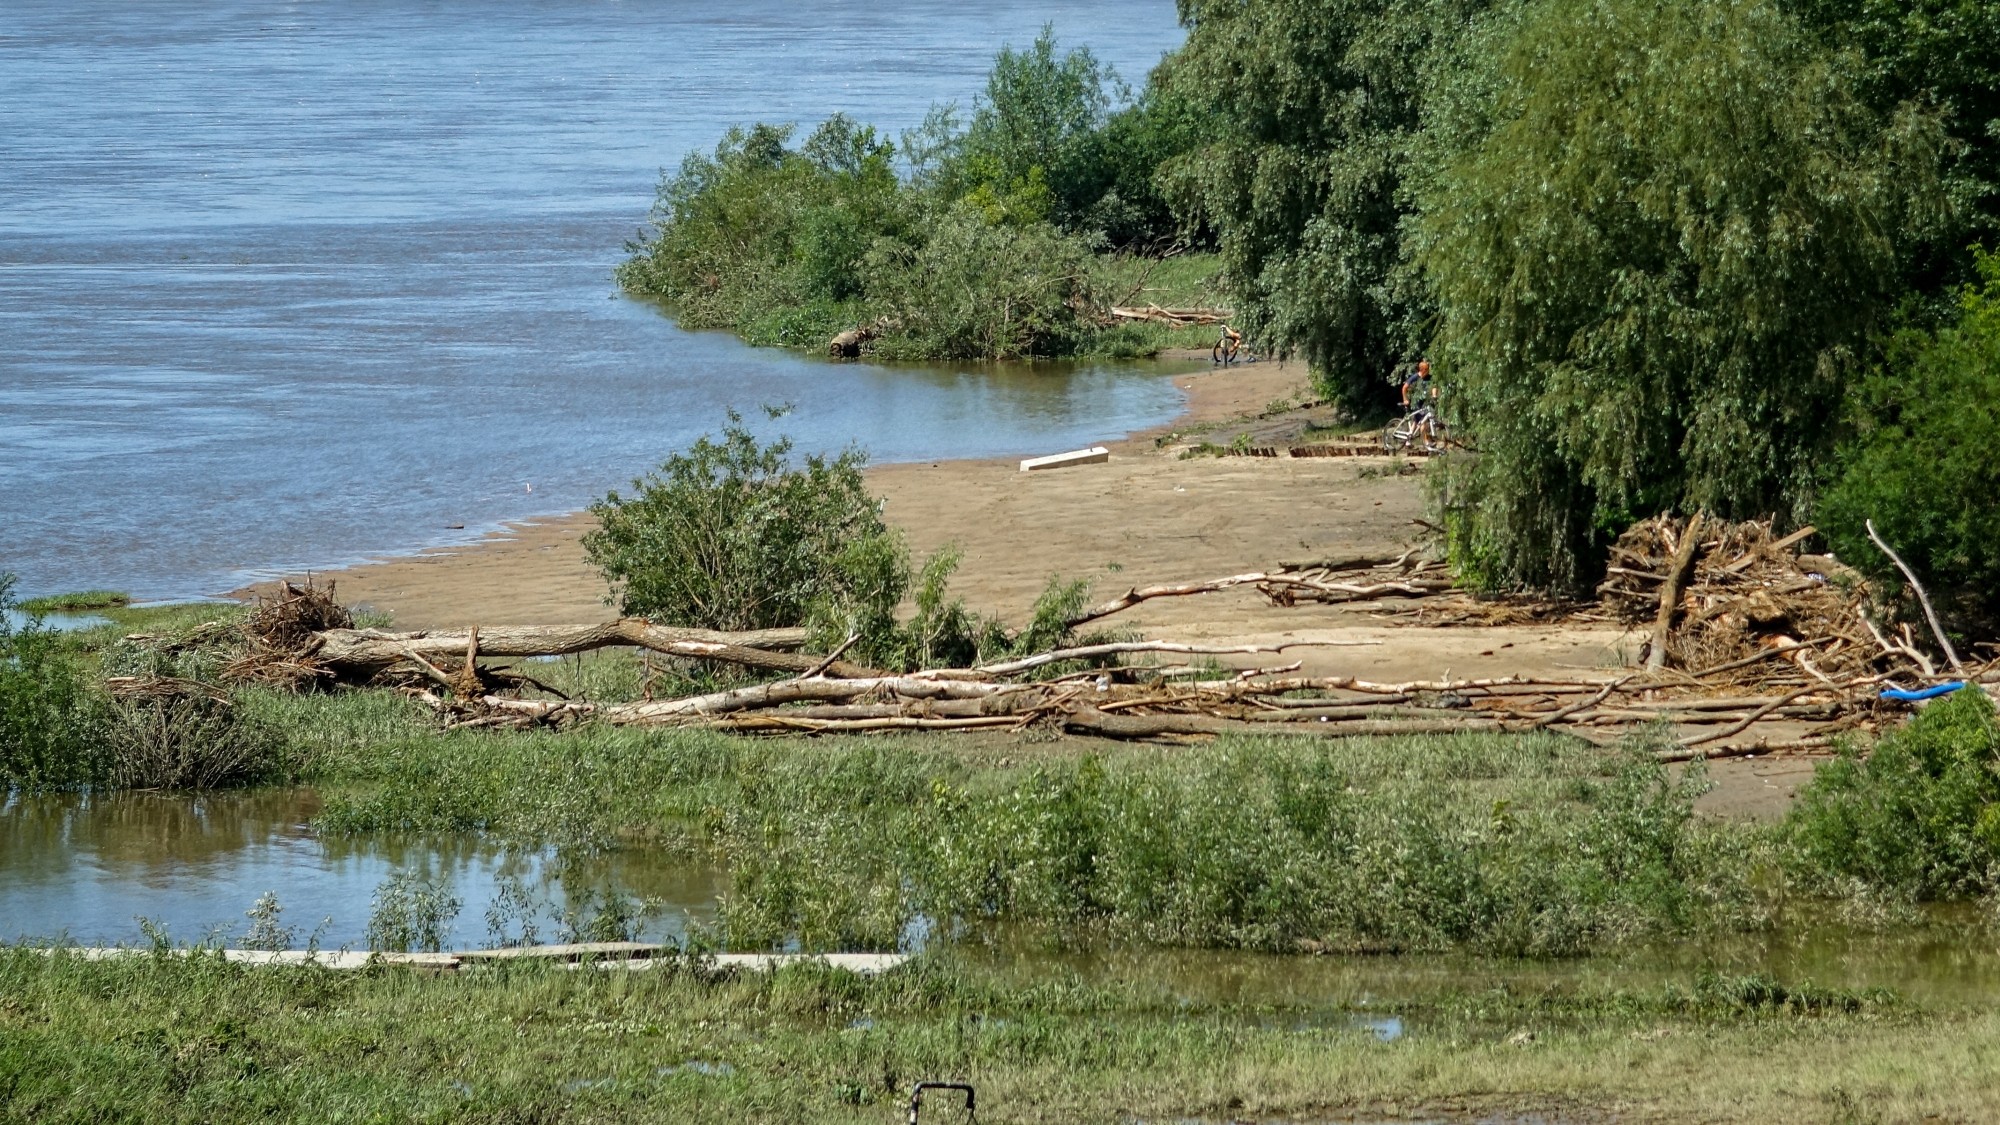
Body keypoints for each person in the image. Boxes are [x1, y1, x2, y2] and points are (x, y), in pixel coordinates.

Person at [1401, 359, 1439, 447]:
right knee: (1423, 421)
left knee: (1416, 421)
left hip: (1425, 403)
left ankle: (1408, 439)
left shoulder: (1430, 377)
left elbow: (1434, 386)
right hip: (1416, 402)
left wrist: (1434, 395)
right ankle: (1426, 442)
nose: (1428, 370)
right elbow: (1404, 388)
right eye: (1427, 369)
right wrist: (1405, 399)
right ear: (1422, 370)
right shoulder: (1415, 377)